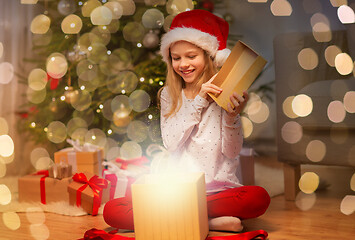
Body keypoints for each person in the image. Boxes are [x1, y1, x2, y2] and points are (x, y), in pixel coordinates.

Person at [103, 9, 270, 232]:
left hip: (217, 189)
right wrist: (199, 100)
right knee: (113, 210)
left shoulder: (224, 92)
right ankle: (209, 221)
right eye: (176, 58)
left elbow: (231, 152)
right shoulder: (168, 95)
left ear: (209, 56)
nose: (183, 64)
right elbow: (171, 143)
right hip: (178, 190)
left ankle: (185, 218)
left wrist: (232, 116)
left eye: (191, 56)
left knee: (258, 198)